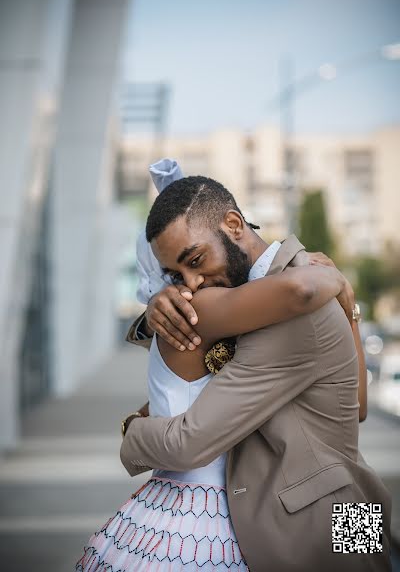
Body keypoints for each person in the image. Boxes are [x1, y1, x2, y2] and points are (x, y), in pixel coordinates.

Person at [75, 166, 366, 571]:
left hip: (325, 519)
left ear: (233, 224)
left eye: (195, 260)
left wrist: (131, 431)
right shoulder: (252, 292)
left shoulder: (295, 297)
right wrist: (348, 308)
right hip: (350, 499)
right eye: (176, 275)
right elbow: (357, 407)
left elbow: (192, 440)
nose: (191, 284)